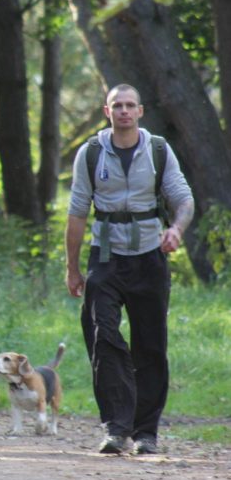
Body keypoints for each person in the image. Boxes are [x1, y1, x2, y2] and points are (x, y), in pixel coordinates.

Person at [65, 84, 194, 456]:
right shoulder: (90, 153)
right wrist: (73, 269)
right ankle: (116, 428)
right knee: (102, 336)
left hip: (149, 258)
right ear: (107, 112)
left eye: (129, 105)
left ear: (140, 111)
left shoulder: (158, 150)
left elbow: (183, 199)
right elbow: (76, 213)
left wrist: (176, 229)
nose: (123, 111)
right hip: (104, 258)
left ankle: (146, 433)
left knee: (150, 345)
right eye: (116, 106)